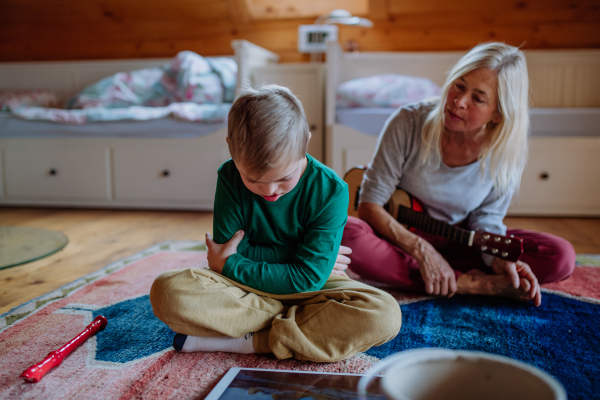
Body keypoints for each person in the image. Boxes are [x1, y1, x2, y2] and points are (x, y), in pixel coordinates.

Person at [150, 84, 401, 362]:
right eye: (252, 180)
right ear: (231, 149)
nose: (269, 191)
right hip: (248, 286)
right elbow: (252, 257)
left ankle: (253, 339)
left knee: (384, 315)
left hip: (308, 288)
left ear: (306, 141)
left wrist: (230, 262)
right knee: (168, 291)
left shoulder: (332, 190)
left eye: (284, 179)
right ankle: (297, 329)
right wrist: (304, 258)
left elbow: (301, 278)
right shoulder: (229, 176)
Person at [342, 42, 575, 307]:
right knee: (345, 231)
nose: (458, 102)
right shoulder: (407, 121)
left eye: (478, 98)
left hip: (464, 241)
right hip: (400, 239)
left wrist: (497, 259)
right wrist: (422, 250)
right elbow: (370, 205)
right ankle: (470, 284)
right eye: (459, 85)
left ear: (498, 113)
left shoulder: (506, 152)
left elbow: (486, 218)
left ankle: (439, 275)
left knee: (560, 255)